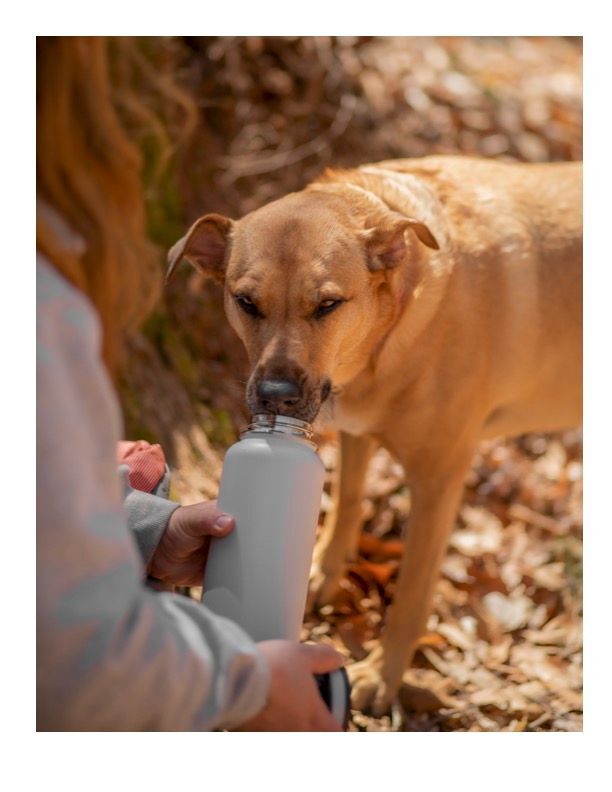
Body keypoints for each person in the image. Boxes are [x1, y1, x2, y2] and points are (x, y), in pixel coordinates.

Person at [36, 36, 344, 731]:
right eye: (250, 306)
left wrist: (148, 531)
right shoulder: (36, 307)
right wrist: (248, 686)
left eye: (324, 308)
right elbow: (69, 653)